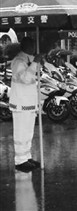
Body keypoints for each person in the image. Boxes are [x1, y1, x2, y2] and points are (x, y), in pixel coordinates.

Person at [10, 37, 43, 173]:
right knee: (21, 133)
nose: (34, 47)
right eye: (32, 45)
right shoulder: (18, 61)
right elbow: (25, 78)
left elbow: (36, 73)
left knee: (28, 132)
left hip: (29, 103)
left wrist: (39, 62)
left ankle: (26, 157)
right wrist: (35, 62)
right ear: (25, 46)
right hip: (21, 103)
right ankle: (20, 160)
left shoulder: (29, 58)